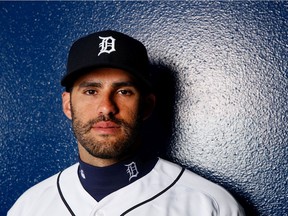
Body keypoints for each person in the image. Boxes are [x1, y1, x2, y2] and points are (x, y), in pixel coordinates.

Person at [8, 30, 245, 216]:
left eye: (123, 91)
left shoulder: (210, 206)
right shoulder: (28, 207)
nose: (106, 107)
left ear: (147, 106)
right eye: (91, 91)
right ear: (68, 105)